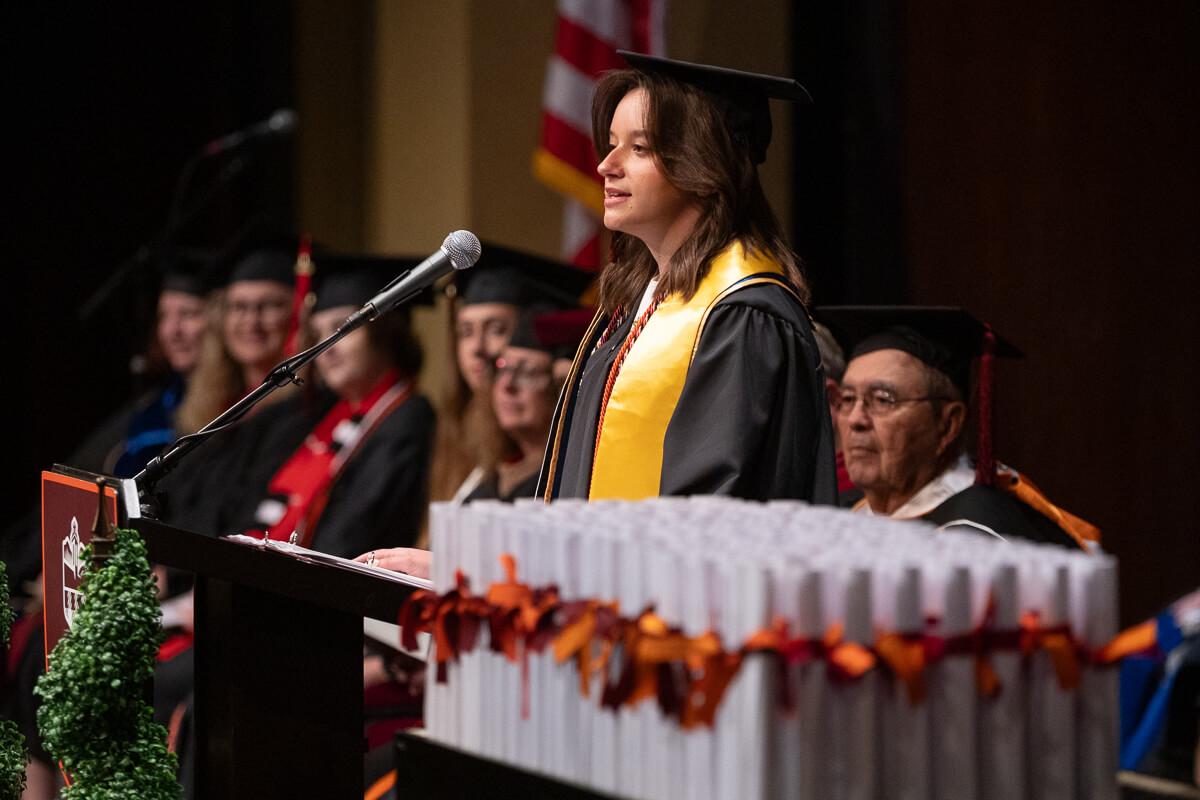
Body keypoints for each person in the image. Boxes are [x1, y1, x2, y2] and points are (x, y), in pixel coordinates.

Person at [538, 51, 837, 503]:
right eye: (612, 143)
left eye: (639, 148)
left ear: (703, 164)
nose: (606, 165)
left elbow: (710, 507)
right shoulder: (634, 306)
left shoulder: (742, 316)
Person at [817, 305, 1099, 549]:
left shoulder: (977, 535)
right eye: (848, 399)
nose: (855, 419)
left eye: (882, 399)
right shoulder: (853, 514)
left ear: (948, 424)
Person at [427, 244, 592, 506]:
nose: (478, 348)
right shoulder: (458, 430)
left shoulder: (559, 476)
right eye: (466, 332)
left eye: (496, 329)